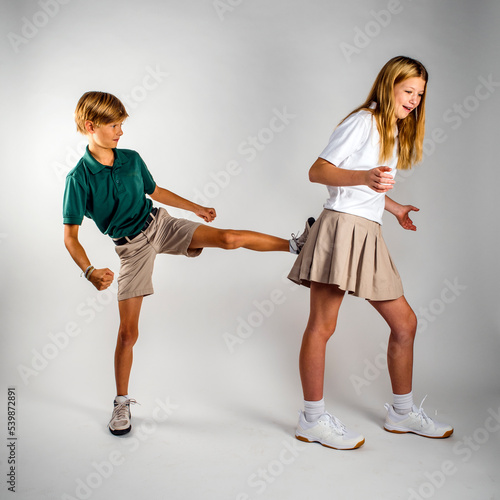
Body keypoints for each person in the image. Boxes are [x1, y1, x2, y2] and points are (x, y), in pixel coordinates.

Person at [63, 91, 313, 436]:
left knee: (226, 238)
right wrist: (90, 271)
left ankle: (296, 245)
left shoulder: (131, 159)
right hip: (132, 249)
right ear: (91, 126)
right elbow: (70, 237)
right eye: (114, 125)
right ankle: (121, 404)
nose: (121, 131)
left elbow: (155, 191)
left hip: (161, 225)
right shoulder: (78, 178)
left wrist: (194, 207)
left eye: (122, 124)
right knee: (127, 333)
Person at [288, 56, 453, 450]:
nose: (413, 100)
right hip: (342, 228)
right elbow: (318, 171)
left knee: (405, 323)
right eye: (408, 91)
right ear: (389, 85)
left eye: (419, 95)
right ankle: (311, 420)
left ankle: (401, 413)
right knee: (322, 326)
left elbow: (369, 185)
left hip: (368, 230)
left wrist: (394, 208)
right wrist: (364, 177)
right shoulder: (364, 120)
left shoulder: (392, 128)